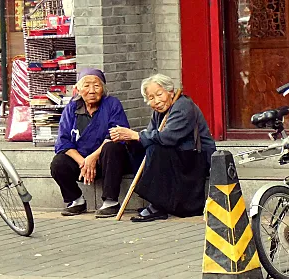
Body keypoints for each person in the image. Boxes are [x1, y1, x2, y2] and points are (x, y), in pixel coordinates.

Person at [109, 73, 216, 222]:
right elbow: (150, 134)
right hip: (178, 156)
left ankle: (158, 206)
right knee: (138, 148)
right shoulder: (159, 113)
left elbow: (168, 137)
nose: (157, 101)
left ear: (170, 91)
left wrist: (135, 135)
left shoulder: (183, 106)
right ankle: (158, 203)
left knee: (156, 149)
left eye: (159, 94)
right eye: (151, 98)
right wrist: (129, 139)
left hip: (194, 158)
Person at [50, 68, 140, 218]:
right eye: (86, 85)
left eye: (96, 86)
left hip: (109, 161)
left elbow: (117, 134)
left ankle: (111, 202)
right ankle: (76, 200)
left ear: (103, 89)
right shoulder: (71, 108)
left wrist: (93, 157)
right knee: (58, 162)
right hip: (83, 162)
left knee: (113, 147)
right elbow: (63, 141)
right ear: (78, 89)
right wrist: (84, 162)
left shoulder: (112, 104)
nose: (91, 90)